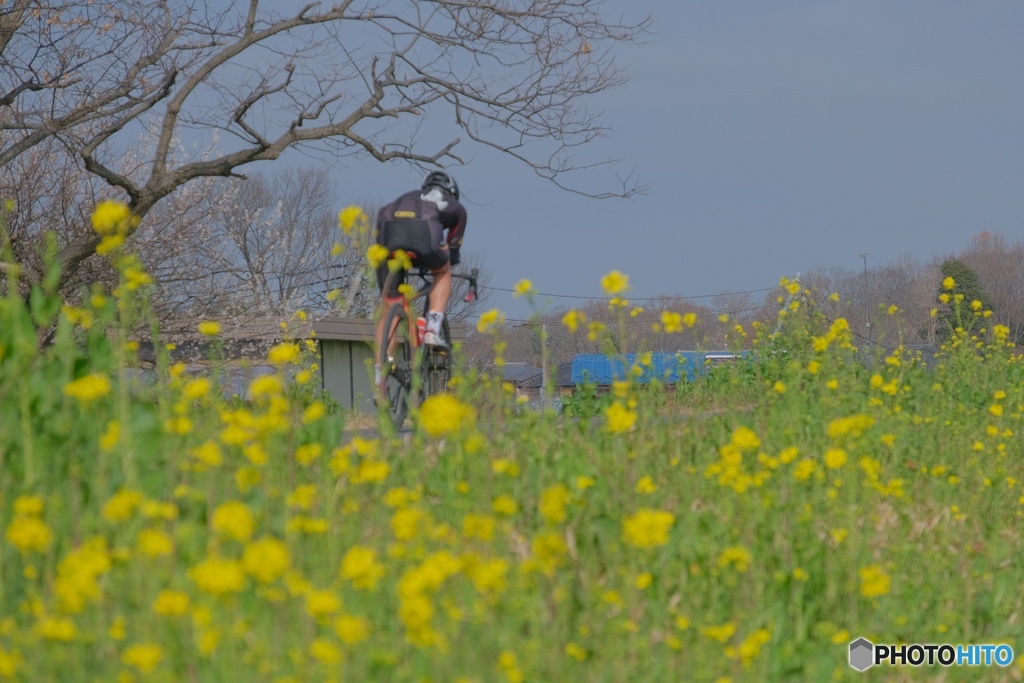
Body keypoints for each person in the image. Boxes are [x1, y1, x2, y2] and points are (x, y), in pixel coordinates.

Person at [373, 170, 467, 387]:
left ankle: (380, 371)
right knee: (443, 273)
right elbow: (452, 253)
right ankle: (432, 329)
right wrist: (437, 261)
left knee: (391, 309)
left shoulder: (408, 196)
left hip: (388, 232)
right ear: (451, 192)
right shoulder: (455, 207)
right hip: (423, 233)